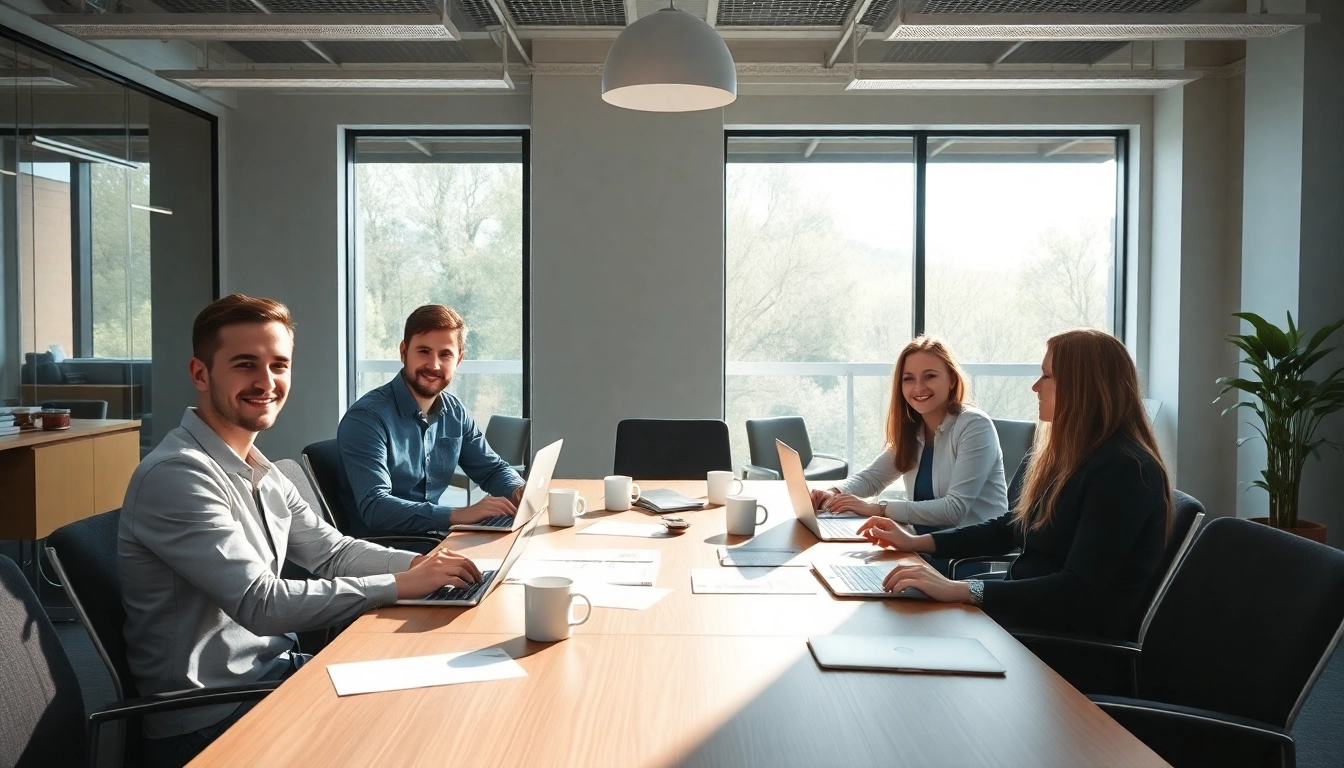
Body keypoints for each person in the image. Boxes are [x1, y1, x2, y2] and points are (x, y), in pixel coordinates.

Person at [119, 295, 482, 768]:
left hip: (276, 678)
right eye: (245, 364)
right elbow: (261, 603)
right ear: (201, 374)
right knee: (414, 738)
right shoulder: (178, 476)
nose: (266, 382)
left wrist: (423, 565)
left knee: (438, 698)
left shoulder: (260, 469)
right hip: (211, 720)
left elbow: (331, 552)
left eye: (278, 365)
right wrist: (399, 585)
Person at [858, 329, 1172, 640]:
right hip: (1026, 614)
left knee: (909, 631)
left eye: (1047, 376)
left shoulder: (1125, 470)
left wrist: (962, 589)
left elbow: (1077, 588)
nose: (1036, 387)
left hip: (1061, 641)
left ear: (1083, 386)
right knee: (893, 615)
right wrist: (915, 543)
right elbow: (1009, 528)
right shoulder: (1054, 455)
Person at [338, 305, 525, 536]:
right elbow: (376, 507)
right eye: (424, 351)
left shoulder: (455, 411)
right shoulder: (367, 418)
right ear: (403, 351)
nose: (434, 365)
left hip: (435, 539)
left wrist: (520, 491)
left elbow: (492, 470)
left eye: (445, 354)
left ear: (459, 360)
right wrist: (456, 514)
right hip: (386, 549)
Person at [811, 336, 1007, 534]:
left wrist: (878, 509)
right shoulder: (915, 429)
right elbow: (871, 479)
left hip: (966, 556)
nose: (919, 387)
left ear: (952, 380)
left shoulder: (974, 425)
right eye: (908, 378)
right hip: (918, 545)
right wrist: (833, 493)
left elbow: (954, 510)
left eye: (930, 376)